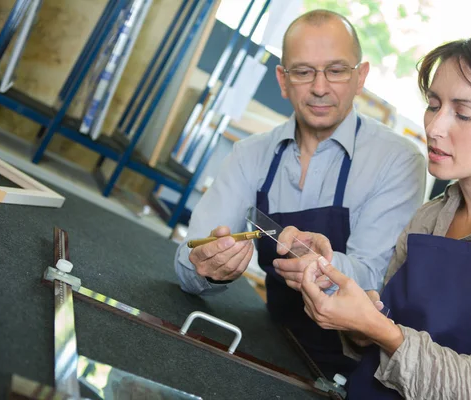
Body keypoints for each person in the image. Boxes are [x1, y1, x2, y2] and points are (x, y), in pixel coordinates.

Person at [285, 28, 471, 398]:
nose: (434, 127)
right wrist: (345, 301)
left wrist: (383, 332)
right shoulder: (430, 216)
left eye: (462, 114)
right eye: (433, 105)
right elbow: (377, 336)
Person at [174, 10, 426, 379]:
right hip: (268, 342)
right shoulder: (250, 155)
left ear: (361, 77)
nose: (320, 87)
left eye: (337, 70)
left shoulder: (398, 161)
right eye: (304, 71)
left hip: (349, 365)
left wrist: (324, 264)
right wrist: (207, 266)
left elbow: (373, 276)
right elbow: (187, 257)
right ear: (283, 79)